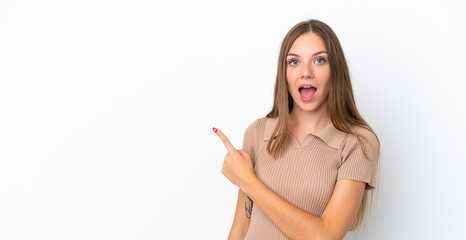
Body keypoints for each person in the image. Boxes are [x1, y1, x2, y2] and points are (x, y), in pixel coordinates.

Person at [213, 18, 380, 240]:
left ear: (335, 70)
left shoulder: (358, 143)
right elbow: (240, 229)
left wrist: (249, 182)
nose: (306, 72)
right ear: (284, 73)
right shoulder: (257, 133)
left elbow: (325, 236)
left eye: (319, 60)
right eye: (294, 62)